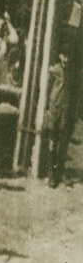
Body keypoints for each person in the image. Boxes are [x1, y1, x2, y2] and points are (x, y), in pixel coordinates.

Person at [44, 49, 76, 188]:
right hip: (54, 107)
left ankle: (60, 173)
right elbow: (45, 87)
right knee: (53, 140)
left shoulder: (73, 73)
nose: (66, 59)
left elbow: (74, 93)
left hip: (66, 109)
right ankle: (51, 174)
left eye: (68, 56)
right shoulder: (54, 70)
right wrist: (46, 107)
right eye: (64, 56)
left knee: (63, 141)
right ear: (60, 56)